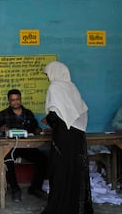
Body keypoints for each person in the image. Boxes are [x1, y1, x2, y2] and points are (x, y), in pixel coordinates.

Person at [41, 61, 93, 214]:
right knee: (75, 170)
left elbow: (54, 116)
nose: (48, 78)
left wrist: (47, 120)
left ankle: (60, 207)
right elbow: (79, 111)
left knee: (60, 171)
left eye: (47, 74)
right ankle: (75, 207)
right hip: (76, 136)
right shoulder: (72, 87)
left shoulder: (54, 87)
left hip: (63, 137)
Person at [0, 89, 48, 202]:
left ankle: (35, 188)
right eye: (12, 100)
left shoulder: (28, 113)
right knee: (7, 161)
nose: (15, 102)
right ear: (9, 101)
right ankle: (15, 189)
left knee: (43, 159)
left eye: (17, 99)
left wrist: (40, 131)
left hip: (26, 147)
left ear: (20, 99)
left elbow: (35, 128)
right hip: (11, 148)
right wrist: (0, 128)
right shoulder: (4, 114)